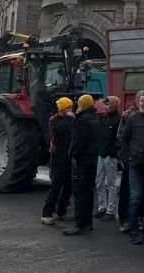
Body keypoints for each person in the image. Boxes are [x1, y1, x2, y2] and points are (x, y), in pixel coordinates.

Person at [64, 94, 101, 236]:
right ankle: (88, 223)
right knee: (89, 192)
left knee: (79, 193)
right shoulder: (95, 118)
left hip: (82, 162)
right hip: (92, 161)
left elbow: (78, 143)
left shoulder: (82, 121)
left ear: (81, 105)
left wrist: (72, 155)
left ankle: (79, 224)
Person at [123, 88, 144, 244]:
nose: (142, 103)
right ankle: (134, 231)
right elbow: (124, 139)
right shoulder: (132, 118)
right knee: (135, 198)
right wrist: (126, 158)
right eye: (140, 101)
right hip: (135, 162)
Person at [42, 97, 74, 225]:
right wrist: (67, 118)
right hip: (57, 156)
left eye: (71, 107)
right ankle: (46, 214)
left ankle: (61, 211)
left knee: (68, 186)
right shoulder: (53, 120)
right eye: (68, 107)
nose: (71, 110)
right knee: (56, 186)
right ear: (62, 108)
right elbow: (57, 131)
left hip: (68, 156)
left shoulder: (71, 120)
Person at [117, 90, 144, 231]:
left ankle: (138, 217)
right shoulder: (128, 115)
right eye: (142, 99)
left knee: (140, 191)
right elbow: (121, 138)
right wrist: (124, 158)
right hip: (130, 159)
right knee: (127, 191)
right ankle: (124, 219)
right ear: (137, 99)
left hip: (141, 159)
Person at [96, 96, 121, 220]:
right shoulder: (106, 119)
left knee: (110, 184)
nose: (105, 107)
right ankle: (102, 207)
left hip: (110, 156)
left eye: (107, 104)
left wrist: (112, 152)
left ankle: (110, 211)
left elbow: (117, 139)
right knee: (99, 182)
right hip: (102, 154)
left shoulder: (118, 119)